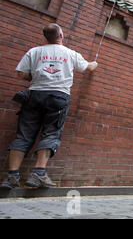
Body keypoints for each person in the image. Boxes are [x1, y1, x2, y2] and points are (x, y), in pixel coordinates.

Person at [1, 23, 98, 190]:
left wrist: (37, 77)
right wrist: (94, 63)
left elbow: (20, 74)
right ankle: (38, 173)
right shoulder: (70, 53)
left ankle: (12, 176)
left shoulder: (34, 51)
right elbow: (88, 67)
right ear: (61, 36)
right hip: (58, 96)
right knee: (51, 133)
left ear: (46, 37)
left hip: (35, 94)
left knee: (23, 135)